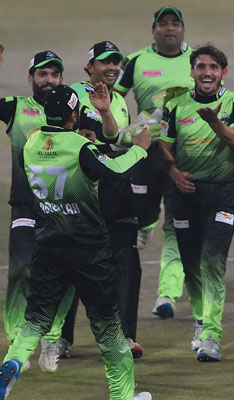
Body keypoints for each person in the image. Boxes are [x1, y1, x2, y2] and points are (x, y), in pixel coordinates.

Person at [0, 84, 153, 400]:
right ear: (74, 115)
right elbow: (115, 171)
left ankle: (14, 363)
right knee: (108, 329)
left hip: (48, 247)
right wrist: (140, 148)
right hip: (89, 250)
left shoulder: (32, 143)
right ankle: (123, 396)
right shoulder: (80, 146)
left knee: (34, 321)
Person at [0, 43, 76, 372]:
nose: (50, 79)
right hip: (26, 204)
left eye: (55, 74)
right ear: (31, 78)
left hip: (64, 209)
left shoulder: (73, 108)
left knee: (63, 274)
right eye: (43, 74)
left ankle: (52, 336)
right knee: (21, 269)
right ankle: (16, 337)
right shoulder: (17, 108)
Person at [160, 44, 234, 362]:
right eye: (201, 66)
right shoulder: (176, 105)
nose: (207, 72)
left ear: (223, 72)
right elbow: (164, 146)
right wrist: (173, 172)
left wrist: (215, 123)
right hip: (185, 194)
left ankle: (211, 335)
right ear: (192, 71)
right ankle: (200, 320)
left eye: (213, 67)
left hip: (222, 192)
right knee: (191, 263)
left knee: (212, 261)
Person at [58, 41, 145, 359]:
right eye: (105, 62)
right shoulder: (73, 93)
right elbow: (69, 132)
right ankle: (60, 339)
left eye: (116, 63)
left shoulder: (120, 100)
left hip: (116, 192)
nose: (112, 68)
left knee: (126, 263)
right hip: (82, 192)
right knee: (70, 267)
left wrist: (124, 130)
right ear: (90, 65)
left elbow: (113, 140)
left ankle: (124, 336)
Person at [114, 6, 194, 320]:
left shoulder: (197, 60)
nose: (170, 29)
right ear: (154, 31)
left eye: (175, 24)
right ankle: (145, 223)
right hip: (146, 153)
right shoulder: (136, 61)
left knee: (176, 226)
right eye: (163, 24)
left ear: (183, 30)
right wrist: (125, 130)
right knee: (140, 214)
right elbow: (116, 100)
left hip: (182, 155)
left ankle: (167, 294)